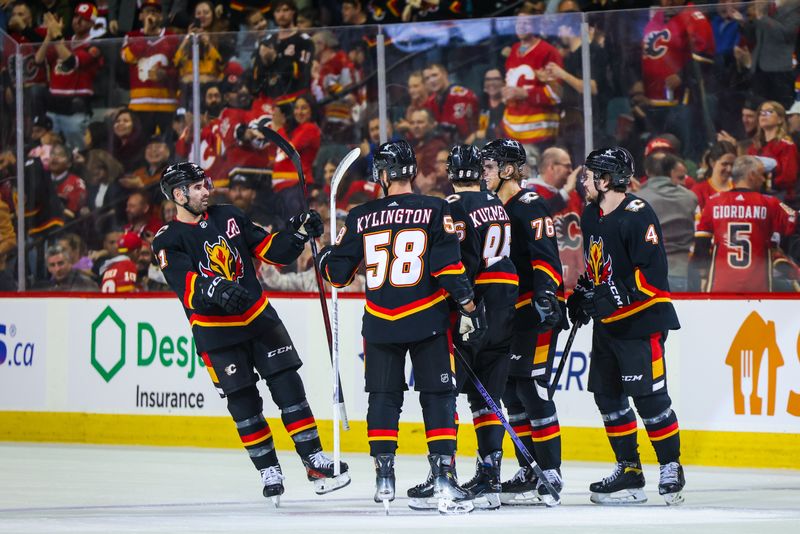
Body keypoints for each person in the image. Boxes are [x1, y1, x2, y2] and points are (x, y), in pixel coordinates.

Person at [152, 161, 350, 504]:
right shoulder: (167, 239)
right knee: (243, 402)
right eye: (197, 187)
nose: (206, 191)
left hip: (258, 317)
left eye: (205, 184)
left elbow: (271, 250)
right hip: (216, 334)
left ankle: (314, 461)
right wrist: (214, 288)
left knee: (289, 386)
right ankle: (268, 469)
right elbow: (185, 283)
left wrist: (298, 233)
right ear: (178, 194)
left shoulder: (228, 215)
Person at [318, 140, 486, 514]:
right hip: (427, 318)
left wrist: (327, 253)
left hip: (379, 323)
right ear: (411, 171)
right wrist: (469, 304)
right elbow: (448, 268)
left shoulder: (360, 215)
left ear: (381, 175)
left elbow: (337, 275)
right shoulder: (436, 208)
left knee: (383, 397)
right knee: (438, 397)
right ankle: (443, 476)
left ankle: (384, 477)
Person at [566, 146, 684, 506]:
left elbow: (652, 276)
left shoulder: (638, 214)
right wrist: (584, 293)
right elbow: (597, 266)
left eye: (588, 175)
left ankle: (670, 466)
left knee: (649, 398)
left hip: (640, 322)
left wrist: (612, 295)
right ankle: (629, 471)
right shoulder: (590, 215)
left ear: (605, 180)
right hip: (608, 326)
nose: (582, 181)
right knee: (608, 397)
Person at [407, 145, 518, 511]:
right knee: (487, 394)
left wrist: (463, 305)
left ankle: (445, 474)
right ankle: (490, 478)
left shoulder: (452, 205)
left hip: (474, 307)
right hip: (505, 305)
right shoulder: (495, 203)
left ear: (451, 172)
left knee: (446, 392)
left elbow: (457, 261)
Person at [479, 139, 565, 507]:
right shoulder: (492, 207)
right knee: (512, 390)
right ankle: (529, 468)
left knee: (532, 390)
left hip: (535, 311)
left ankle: (551, 470)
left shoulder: (530, 204)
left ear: (509, 169)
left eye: (489, 167)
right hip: (509, 313)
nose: (483, 173)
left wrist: (548, 294)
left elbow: (546, 255)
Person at [694, 155, 797, 292]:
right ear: (752, 175)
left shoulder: (713, 201)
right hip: (758, 287)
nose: (763, 179)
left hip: (720, 287)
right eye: (762, 174)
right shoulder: (770, 203)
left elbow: (701, 244)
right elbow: (794, 222)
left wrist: (702, 277)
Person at [33, 4, 104, 150]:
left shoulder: (95, 44)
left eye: (83, 19)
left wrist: (57, 36)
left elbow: (71, 62)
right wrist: (49, 35)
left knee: (77, 151)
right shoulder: (64, 42)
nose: (78, 21)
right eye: (76, 16)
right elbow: (38, 60)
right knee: (51, 152)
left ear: (92, 23)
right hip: (53, 106)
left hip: (75, 108)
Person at [637, 153, 698, 291]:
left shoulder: (636, 198)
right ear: (670, 171)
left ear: (647, 171)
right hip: (681, 271)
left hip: (647, 274)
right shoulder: (690, 197)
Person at [120, 0, 179, 139]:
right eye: (147, 11)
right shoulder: (131, 36)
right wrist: (145, 34)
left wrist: (166, 74)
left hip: (167, 104)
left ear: (161, 16)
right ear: (140, 16)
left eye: (155, 12)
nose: (151, 15)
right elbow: (127, 57)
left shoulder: (172, 37)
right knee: (141, 147)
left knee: (168, 147)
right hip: (140, 105)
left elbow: (179, 69)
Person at [502, 15, 563, 147]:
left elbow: (557, 94)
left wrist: (525, 93)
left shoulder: (549, 52)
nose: (521, 26)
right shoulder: (514, 49)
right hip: (511, 131)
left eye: (526, 23)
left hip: (539, 134)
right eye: (518, 22)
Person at [747, 101, 799, 205]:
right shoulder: (753, 148)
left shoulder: (787, 146)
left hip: (781, 200)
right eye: (761, 113)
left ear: (780, 119)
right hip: (757, 198)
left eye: (769, 112)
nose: (763, 115)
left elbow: (788, 178)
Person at [422, 63, 479, 143]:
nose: (432, 80)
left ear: (445, 74)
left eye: (435, 75)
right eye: (427, 78)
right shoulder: (429, 103)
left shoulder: (463, 95)